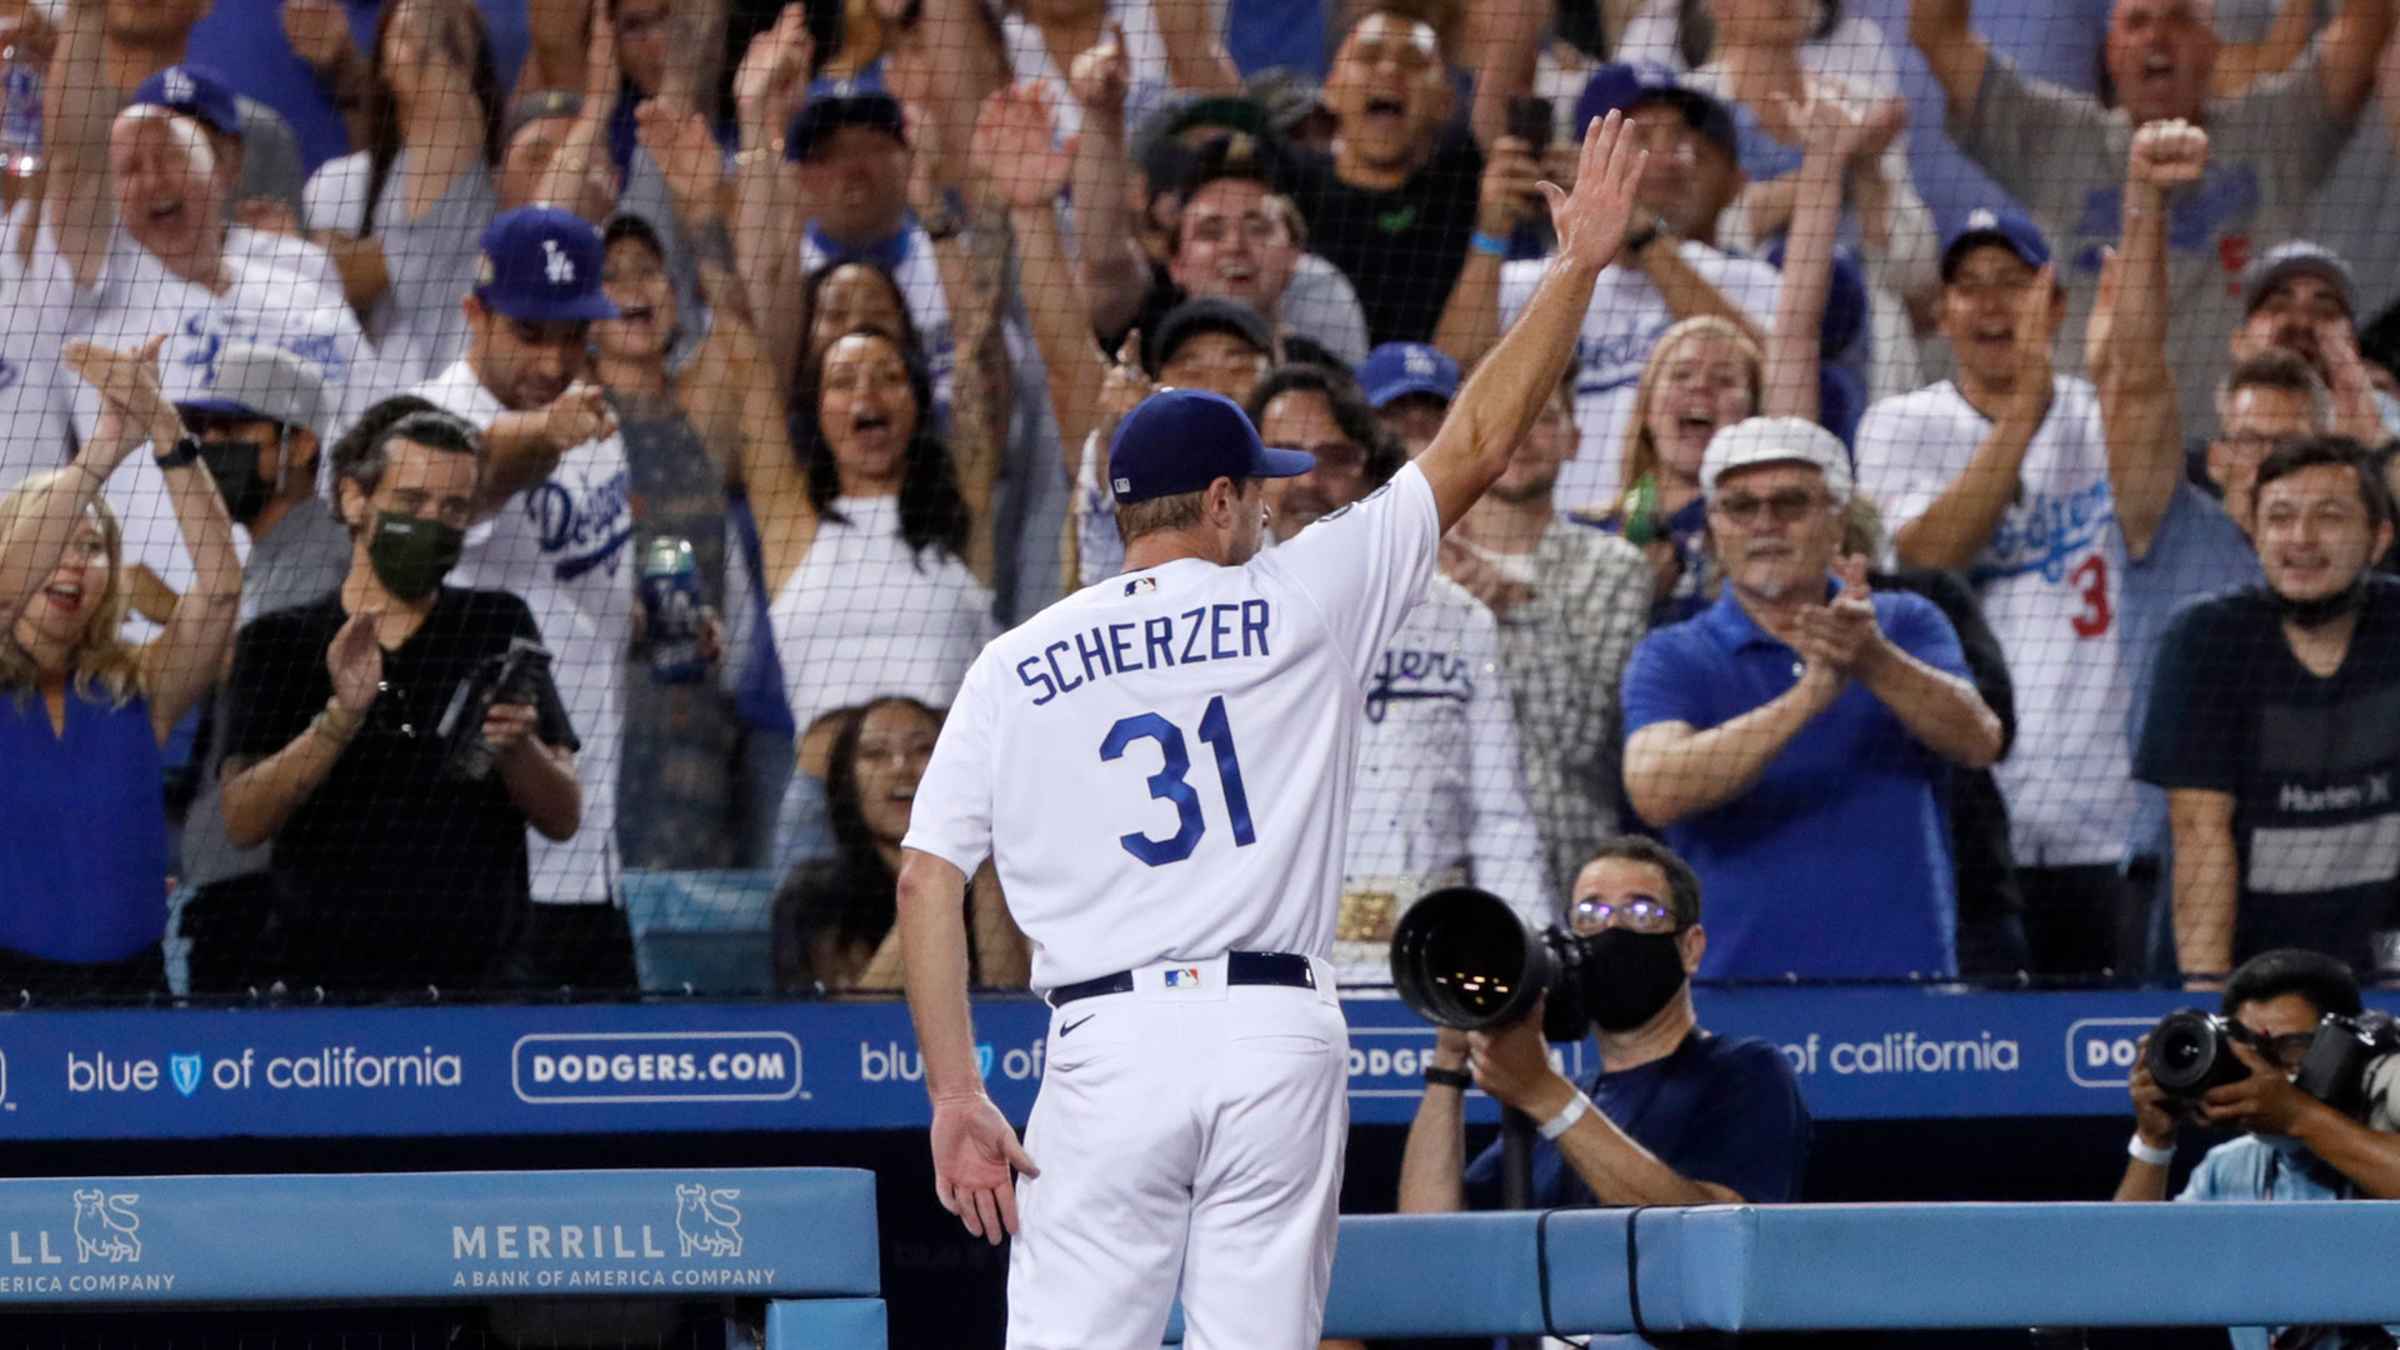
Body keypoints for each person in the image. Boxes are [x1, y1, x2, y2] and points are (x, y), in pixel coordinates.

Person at [893, 109, 1647, 1349]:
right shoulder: (1296, 594)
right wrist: (1574, 270)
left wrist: (956, 1092)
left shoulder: (1014, 660)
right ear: (1232, 497)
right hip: (1273, 1030)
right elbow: (1477, 443)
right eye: (1265, 489)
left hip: (1102, 1039)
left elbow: (928, 883)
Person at [1621, 416, 2004, 979]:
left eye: (1791, 503)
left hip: (1905, 1000)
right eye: (1740, 506)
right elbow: (1655, 789)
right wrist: (1807, 699)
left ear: (1838, 521)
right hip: (1732, 993)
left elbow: (1979, 740)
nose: (1765, 525)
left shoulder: (1905, 623)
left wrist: (1872, 660)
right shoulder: (1672, 653)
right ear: (1713, 526)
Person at [1907, 0, 2394, 441]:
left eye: (2180, 18)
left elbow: (2367, 21)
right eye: (2137, 22)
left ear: (2214, 47)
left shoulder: (2277, 128)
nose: (2156, 38)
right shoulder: (2055, 139)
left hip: (2244, 450)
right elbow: (1937, 33)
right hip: (2097, 455)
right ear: (2112, 52)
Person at [218, 403, 579, 993]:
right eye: (412, 503)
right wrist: (341, 716)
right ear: (355, 499)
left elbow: (564, 815)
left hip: (481, 990)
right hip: (326, 992)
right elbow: (242, 818)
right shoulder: (278, 642)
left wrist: (517, 749)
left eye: (454, 509)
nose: (433, 523)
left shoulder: (497, 625)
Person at [1244, 362, 1552, 986]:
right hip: (1279, 956)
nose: (1309, 478)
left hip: (1434, 953)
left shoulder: (1457, 618)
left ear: (1371, 469)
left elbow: (1500, 814)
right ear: (1249, 483)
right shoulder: (1221, 622)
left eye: (1334, 456)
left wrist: (1524, 962)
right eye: (1286, 457)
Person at [407, 204, 631, 988]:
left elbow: (582, 590)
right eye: (531, 333)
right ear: (475, 314)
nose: (554, 358)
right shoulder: (428, 422)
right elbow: (469, 473)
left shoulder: (591, 421)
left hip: (592, 832)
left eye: (573, 335)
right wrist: (544, 433)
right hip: (492, 851)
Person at [0, 336, 238, 997]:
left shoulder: (140, 685)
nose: (76, 561)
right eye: (59, 544)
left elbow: (220, 591)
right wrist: (105, 446)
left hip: (133, 992)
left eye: (93, 546)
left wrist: (163, 426)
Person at [1398, 837, 1810, 1218]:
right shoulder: (1569, 1100)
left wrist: (1544, 1093)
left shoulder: (1744, 1071)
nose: (1613, 930)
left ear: (1690, 947)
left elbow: (1714, 1233)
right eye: (1591, 913)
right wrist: (1448, 1065)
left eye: (1642, 911)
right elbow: (1429, 1231)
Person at [1438, 64, 1783, 508]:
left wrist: (1642, 236)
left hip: (1689, 521)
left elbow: (1774, 382)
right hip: (1548, 523)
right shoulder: (1523, 282)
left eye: (1678, 138)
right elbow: (1448, 386)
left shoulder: (1743, 279)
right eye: (1640, 138)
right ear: (1581, 156)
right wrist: (1492, 230)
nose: (1665, 157)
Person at [1378, 354, 1659, 898]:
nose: (1522, 435)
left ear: (1575, 440)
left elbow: (1582, 740)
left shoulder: (1614, 569)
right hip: (1417, 875)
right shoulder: (1404, 566)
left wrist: (1512, 611)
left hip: (1566, 870)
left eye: (1544, 418)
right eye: (1506, 418)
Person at [2136, 438, 2400, 980]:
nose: (2300, 539)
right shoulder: (2203, 641)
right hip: (2246, 976)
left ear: (2379, 539)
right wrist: (2210, 1002)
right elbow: (2199, 833)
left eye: (2329, 517)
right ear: (2255, 535)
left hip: (2382, 968)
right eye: (2279, 518)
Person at [172, 343, 353, 993]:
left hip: (280, 893)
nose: (212, 446)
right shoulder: (267, 558)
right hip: (240, 884)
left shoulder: (326, 552)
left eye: (233, 430)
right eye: (205, 430)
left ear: (300, 444)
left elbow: (282, 685)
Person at [2116, 949, 2400, 1350]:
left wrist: (2297, 1115)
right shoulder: (2229, 1168)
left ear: (2342, 1046)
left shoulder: (2383, 1122)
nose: (2265, 1072)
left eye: (2292, 1048)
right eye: (2250, 1049)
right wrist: (2154, 1140)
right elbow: (2130, 1277)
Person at [297, 0, 504, 392]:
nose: (427, 44)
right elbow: (326, 284)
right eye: (409, 33)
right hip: (377, 396)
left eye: (445, 36)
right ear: (384, 65)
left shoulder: (503, 185)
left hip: (475, 390)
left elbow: (455, 124)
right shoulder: (340, 182)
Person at [772, 695, 1027, 995]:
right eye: (876, 753)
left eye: (923, 749)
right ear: (848, 781)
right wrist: (935, 868)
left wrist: (980, 861)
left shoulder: (1006, 879)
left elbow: (1012, 1004)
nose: (900, 767)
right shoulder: (813, 895)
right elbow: (850, 1020)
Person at [1282, 9, 1484, 347]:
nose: (1390, 70)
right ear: (1330, 87)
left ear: (1446, 102)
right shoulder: (1289, 184)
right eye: (1368, 56)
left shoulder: (1465, 183)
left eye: (1414, 62)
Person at [2206, 350, 2338, 530]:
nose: (2268, 461)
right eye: (2249, 441)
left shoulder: (2353, 554)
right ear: (2216, 459)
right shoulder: (2170, 551)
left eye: (2290, 444)